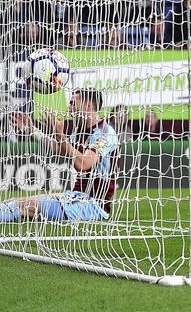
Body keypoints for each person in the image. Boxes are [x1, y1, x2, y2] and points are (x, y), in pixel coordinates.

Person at [2, 89, 117, 223]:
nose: (69, 108)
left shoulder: (104, 133)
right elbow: (57, 149)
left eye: (73, 103)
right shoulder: (79, 131)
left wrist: (60, 135)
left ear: (88, 106)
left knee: (22, 206)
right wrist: (32, 130)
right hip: (76, 198)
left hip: (92, 206)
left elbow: (84, 165)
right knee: (14, 202)